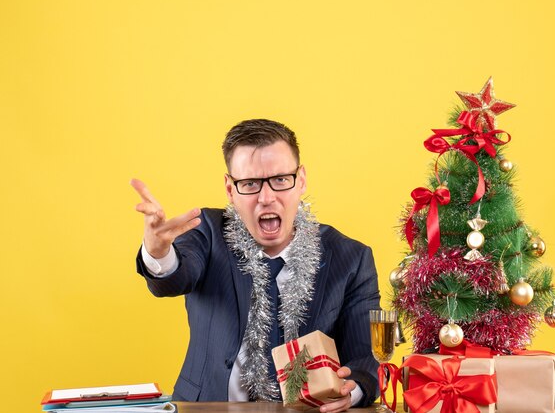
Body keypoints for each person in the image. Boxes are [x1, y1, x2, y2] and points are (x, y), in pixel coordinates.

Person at [132, 119, 380, 412]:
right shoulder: (207, 232)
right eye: (249, 184)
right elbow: (175, 278)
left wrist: (352, 393)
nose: (266, 198)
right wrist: (158, 252)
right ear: (230, 188)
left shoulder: (350, 258)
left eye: (280, 180)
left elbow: (365, 360)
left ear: (301, 179)